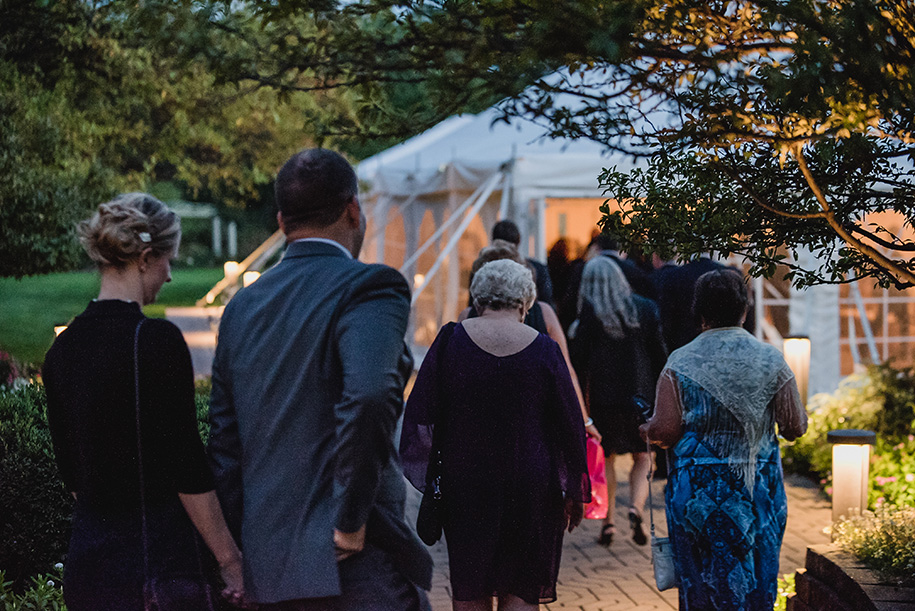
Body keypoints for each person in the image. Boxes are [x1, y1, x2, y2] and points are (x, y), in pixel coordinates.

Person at [208, 149, 432, 610]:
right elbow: (370, 396)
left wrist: (242, 562)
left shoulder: (240, 309)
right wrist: (349, 520)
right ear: (353, 209)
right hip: (358, 561)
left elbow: (225, 445)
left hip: (270, 570)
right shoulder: (371, 286)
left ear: (281, 219)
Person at [43, 193, 244, 610]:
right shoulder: (156, 342)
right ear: (146, 257)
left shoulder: (61, 351)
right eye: (168, 260)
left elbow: (74, 479)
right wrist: (230, 560)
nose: (168, 276)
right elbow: (187, 466)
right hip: (156, 567)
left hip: (89, 567)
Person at [401, 259, 590, 611]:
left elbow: (420, 416)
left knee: (470, 588)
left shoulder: (450, 341)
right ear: (525, 303)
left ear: (477, 298)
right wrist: (575, 490)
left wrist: (437, 469)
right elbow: (569, 425)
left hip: (468, 484)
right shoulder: (545, 349)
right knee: (521, 589)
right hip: (532, 483)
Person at [641, 269, 808, 610]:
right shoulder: (771, 359)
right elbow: (794, 426)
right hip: (756, 490)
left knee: (700, 583)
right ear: (744, 310)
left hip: (698, 495)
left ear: (699, 312)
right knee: (757, 579)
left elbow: (666, 431)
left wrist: (648, 429)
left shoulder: (681, 360)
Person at [568, 256, 667, 547]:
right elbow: (659, 355)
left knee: (607, 457)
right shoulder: (646, 309)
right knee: (644, 456)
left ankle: (609, 523)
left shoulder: (591, 314)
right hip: (641, 395)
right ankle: (636, 507)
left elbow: (578, 360)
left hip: (604, 397)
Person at [458, 240, 601, 441]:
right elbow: (566, 370)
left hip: (481, 413)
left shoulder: (468, 316)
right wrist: (585, 421)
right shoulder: (543, 313)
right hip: (532, 417)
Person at [491, 219, 553, 304]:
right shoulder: (537, 269)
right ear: (519, 241)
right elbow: (547, 299)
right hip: (528, 315)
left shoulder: (482, 269)